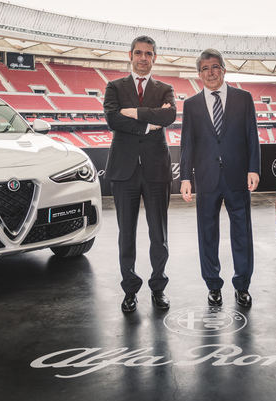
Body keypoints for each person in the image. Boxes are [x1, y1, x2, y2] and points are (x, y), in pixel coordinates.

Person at [180, 48, 260, 308]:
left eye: (215, 67)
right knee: (207, 233)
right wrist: (185, 177)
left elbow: (252, 137)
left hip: (237, 176)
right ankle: (213, 285)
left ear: (224, 70)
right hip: (206, 178)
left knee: (242, 232)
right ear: (199, 74)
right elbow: (187, 145)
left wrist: (254, 168)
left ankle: (242, 285)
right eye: (205, 68)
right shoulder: (191, 105)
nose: (211, 72)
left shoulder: (244, 98)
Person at [103, 35, 177, 313]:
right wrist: (148, 123)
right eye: (138, 53)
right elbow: (112, 119)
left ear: (155, 57)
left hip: (156, 170)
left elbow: (169, 117)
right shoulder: (114, 87)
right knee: (127, 234)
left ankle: (158, 287)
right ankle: (130, 289)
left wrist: (133, 112)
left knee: (159, 234)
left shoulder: (165, 88)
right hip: (124, 170)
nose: (143, 58)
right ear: (130, 55)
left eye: (148, 53)